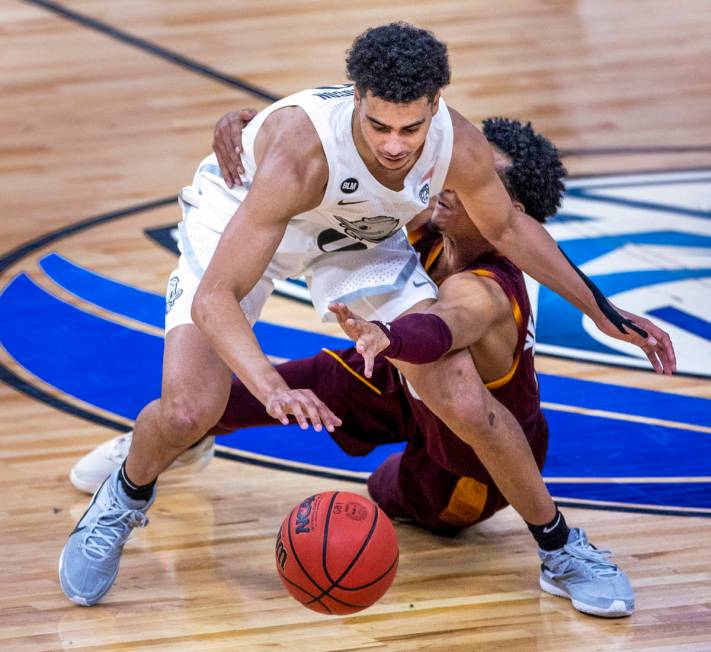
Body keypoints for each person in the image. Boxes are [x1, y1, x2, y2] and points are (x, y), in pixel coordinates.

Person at [59, 23, 674, 607]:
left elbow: (509, 226)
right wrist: (270, 387)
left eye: (409, 129)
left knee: (462, 397)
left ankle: (563, 550)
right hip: (243, 220)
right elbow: (216, 297)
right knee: (190, 406)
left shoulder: (455, 142)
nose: (393, 145)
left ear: (435, 104)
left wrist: (601, 310)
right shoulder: (303, 153)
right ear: (356, 97)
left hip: (356, 240)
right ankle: (124, 499)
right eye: (378, 125)